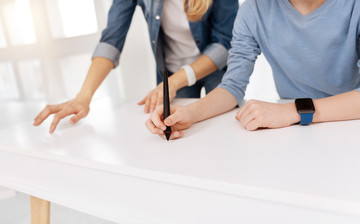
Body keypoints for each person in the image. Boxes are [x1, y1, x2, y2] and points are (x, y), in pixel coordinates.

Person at [146, 0, 360, 140]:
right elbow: (232, 86)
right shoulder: (254, 10)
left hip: (349, 124)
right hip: (294, 133)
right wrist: (189, 113)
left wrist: (293, 111)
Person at [33, 0, 239, 133]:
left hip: (215, 68)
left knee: (226, 129)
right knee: (174, 131)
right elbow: (111, 40)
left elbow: (224, 44)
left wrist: (175, 81)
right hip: (172, 70)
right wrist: (83, 97)